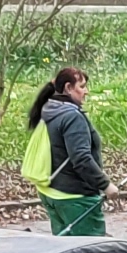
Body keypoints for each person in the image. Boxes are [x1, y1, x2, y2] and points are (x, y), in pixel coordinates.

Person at [20, 65, 107, 236]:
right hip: (74, 197)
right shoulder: (72, 117)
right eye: (82, 86)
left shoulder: (50, 109)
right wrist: (106, 184)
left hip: (51, 193)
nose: (86, 91)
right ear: (68, 88)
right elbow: (81, 159)